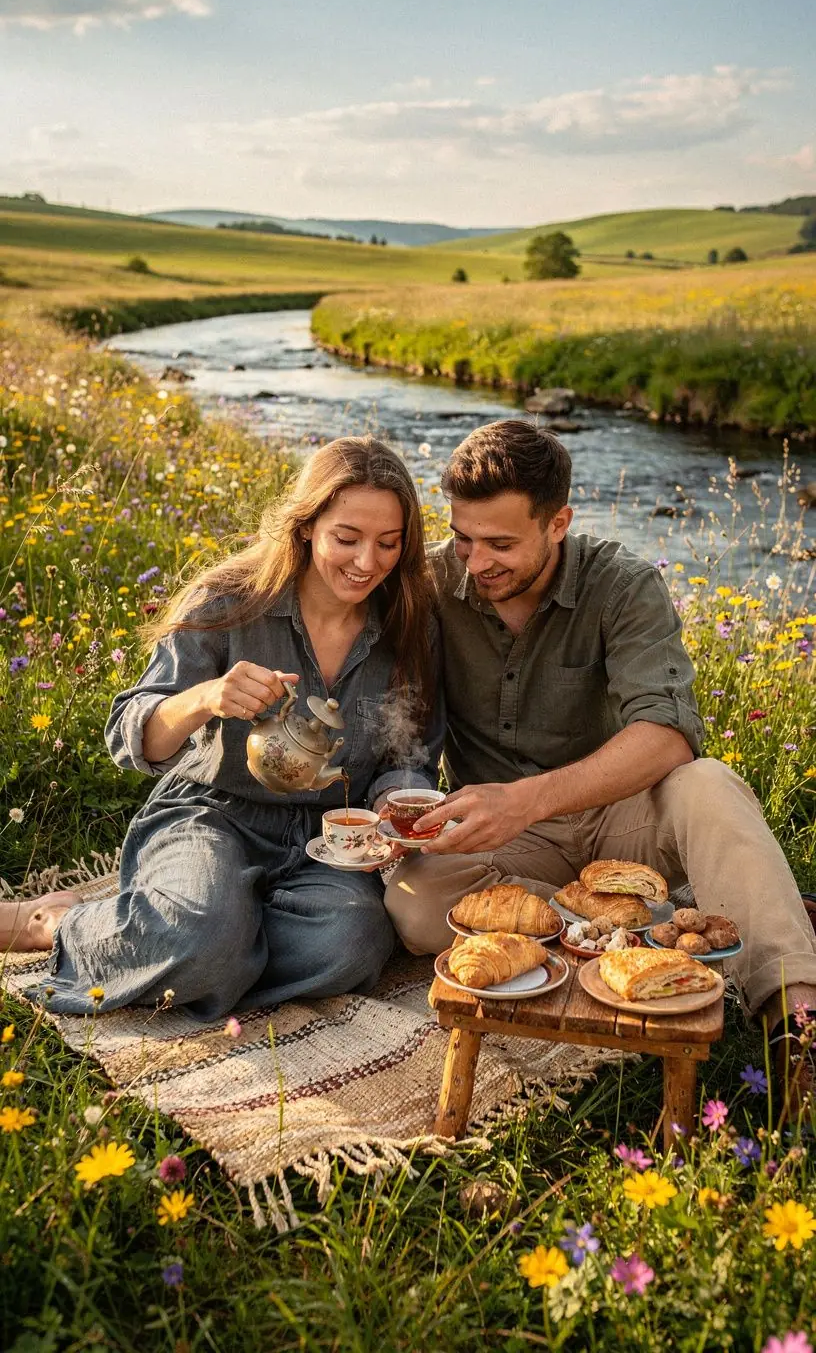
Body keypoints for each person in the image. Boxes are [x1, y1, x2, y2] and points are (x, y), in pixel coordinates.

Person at [384, 419, 816, 1102]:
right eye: (464, 538)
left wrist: (529, 798)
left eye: (501, 543)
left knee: (709, 784)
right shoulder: (433, 582)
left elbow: (669, 735)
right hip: (507, 844)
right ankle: (657, 919)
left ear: (559, 523)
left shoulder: (622, 584)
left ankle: (796, 1025)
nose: (476, 562)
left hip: (621, 820)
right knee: (414, 905)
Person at [0, 437, 443, 1018]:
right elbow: (131, 734)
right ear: (307, 526)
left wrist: (392, 808)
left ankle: (208, 940)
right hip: (212, 813)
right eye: (347, 538)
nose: (367, 563)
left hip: (328, 844)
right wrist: (204, 699)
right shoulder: (229, 600)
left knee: (351, 946)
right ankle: (57, 922)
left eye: (389, 544)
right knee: (203, 932)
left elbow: (405, 759)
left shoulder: (410, 625)